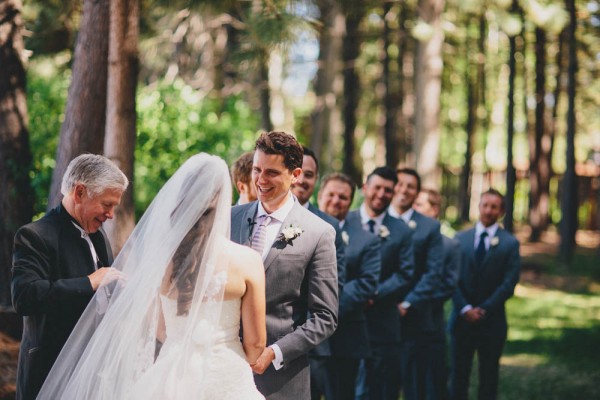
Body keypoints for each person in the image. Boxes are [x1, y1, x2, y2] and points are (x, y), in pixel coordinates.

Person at [36, 153, 267, 399]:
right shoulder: (247, 261)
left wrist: (181, 343)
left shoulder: (161, 261)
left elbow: (159, 328)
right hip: (227, 375)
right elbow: (255, 345)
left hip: (172, 377)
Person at [10, 154, 128, 400]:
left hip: (94, 371)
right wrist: (89, 282)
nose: (111, 215)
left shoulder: (98, 234)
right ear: (80, 193)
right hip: (51, 371)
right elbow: (25, 296)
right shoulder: (34, 235)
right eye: (107, 204)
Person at [230, 131, 338, 399]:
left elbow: (325, 317)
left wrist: (275, 353)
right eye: (257, 170)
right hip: (225, 367)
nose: (261, 180)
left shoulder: (319, 232)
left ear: (295, 174)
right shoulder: (228, 219)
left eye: (272, 173)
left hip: (281, 378)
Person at [348, 166, 414, 400]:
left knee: (380, 388)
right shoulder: (345, 221)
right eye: (377, 187)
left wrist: (374, 294)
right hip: (347, 319)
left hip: (383, 321)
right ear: (365, 188)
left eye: (388, 190)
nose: (381, 194)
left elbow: (405, 274)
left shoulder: (402, 231)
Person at [449, 189, 520, 400]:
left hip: (492, 322)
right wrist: (465, 308)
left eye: (494, 206)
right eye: (485, 205)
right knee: (458, 376)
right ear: (478, 206)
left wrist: (484, 309)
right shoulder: (459, 239)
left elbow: (509, 283)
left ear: (502, 211)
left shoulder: (510, 243)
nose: (489, 210)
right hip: (461, 321)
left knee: (489, 377)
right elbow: (451, 278)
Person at [317, 173, 380, 400]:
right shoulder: (301, 227)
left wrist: (325, 310)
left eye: (343, 197)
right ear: (320, 195)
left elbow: (366, 283)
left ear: (350, 201)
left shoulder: (367, 239)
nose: (336, 201)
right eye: (331, 194)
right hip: (304, 335)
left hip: (345, 335)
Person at [291, 146, 346, 400]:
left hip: (311, 345)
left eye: (310, 175)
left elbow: (335, 283)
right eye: (298, 172)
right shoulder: (260, 215)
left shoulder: (329, 226)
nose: (302, 180)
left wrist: (303, 335)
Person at [389, 168, 445, 400]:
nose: (404, 190)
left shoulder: (429, 227)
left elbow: (433, 273)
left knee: (414, 385)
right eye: (400, 184)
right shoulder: (375, 219)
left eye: (410, 186)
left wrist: (407, 303)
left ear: (416, 192)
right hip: (378, 316)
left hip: (413, 318)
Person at [413, 187, 462, 399]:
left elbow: (449, 285)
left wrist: (414, 299)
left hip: (431, 321)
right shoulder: (404, 239)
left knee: (434, 378)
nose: (413, 209)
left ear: (434, 210)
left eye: (419, 205)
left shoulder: (450, 245)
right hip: (402, 324)